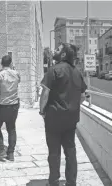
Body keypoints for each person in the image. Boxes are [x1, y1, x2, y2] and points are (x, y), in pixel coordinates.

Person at [39, 43, 87, 186]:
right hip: (71, 119)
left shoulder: (53, 70)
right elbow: (83, 96)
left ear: (64, 54)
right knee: (70, 151)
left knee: (54, 152)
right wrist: (72, 107)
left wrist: (42, 111)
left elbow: (45, 93)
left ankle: (54, 181)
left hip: (54, 118)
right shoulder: (77, 72)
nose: (55, 50)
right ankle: (71, 182)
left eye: (58, 49)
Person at [0, 55, 21, 161]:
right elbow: (18, 83)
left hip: (1, 106)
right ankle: (11, 153)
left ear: (1, 63)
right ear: (11, 63)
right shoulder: (17, 74)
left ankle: (1, 149)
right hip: (14, 105)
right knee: (11, 128)